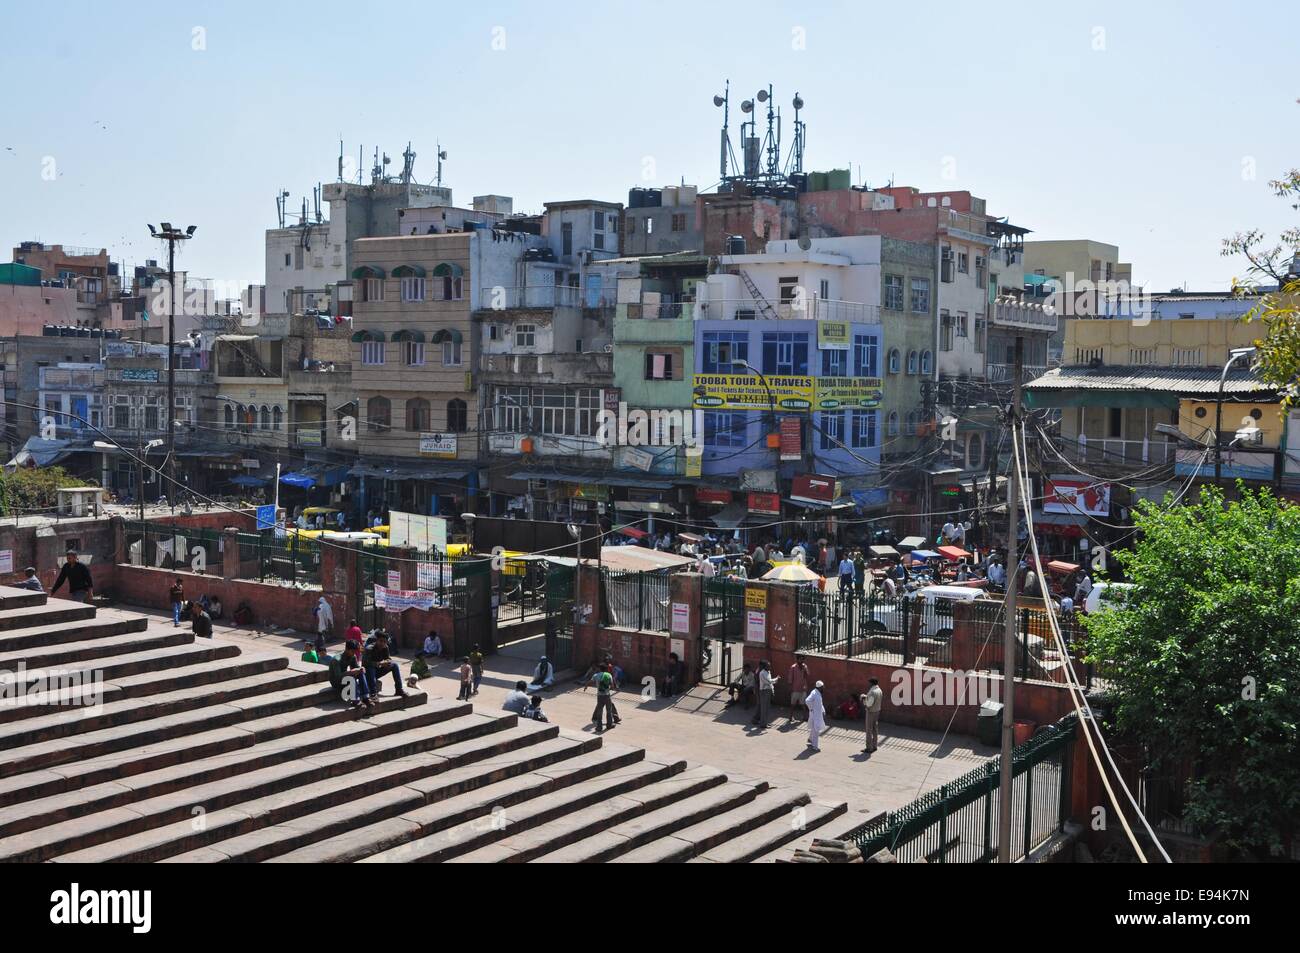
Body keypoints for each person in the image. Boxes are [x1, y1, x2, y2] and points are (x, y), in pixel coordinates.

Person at [330, 640, 373, 710]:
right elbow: (338, 676)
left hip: (345, 678)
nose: (354, 653)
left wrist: (360, 669)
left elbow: (356, 667)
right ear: (347, 649)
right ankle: (356, 700)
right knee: (351, 678)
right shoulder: (336, 660)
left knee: (361, 673)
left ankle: (366, 697)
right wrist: (351, 672)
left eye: (355, 652)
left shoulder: (353, 656)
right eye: (352, 651)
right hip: (336, 681)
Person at [363, 631, 407, 698]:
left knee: (394, 665)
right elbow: (365, 663)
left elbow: (388, 658)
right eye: (381, 641)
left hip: (378, 671)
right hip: (368, 673)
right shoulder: (369, 649)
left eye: (384, 642)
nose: (382, 643)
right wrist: (379, 663)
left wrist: (387, 662)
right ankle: (373, 693)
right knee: (371, 668)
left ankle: (399, 689)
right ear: (377, 640)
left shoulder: (385, 647)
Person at [587, 664, 620, 732]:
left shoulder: (596, 675)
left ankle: (599, 727)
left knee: (599, 711)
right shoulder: (608, 675)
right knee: (609, 711)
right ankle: (609, 725)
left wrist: (586, 686)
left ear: (600, 668)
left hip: (599, 696)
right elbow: (612, 686)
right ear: (606, 669)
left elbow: (590, 682)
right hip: (607, 696)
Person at [752, 660, 778, 729]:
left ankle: (765, 722)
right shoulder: (761, 673)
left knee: (767, 708)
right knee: (762, 707)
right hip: (763, 691)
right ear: (764, 666)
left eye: (769, 666)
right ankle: (761, 723)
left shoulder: (768, 672)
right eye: (768, 666)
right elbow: (768, 681)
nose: (769, 667)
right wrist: (776, 679)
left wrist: (772, 690)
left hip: (768, 690)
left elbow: (770, 682)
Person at [861, 677, 883, 753]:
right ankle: (874, 746)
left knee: (869, 730)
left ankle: (869, 748)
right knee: (875, 729)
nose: (868, 684)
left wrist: (863, 699)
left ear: (872, 683)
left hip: (871, 712)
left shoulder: (873, 692)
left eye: (869, 683)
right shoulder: (879, 690)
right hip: (877, 711)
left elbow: (869, 704)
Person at [787, 656, 811, 724]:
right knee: (793, 704)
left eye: (803, 659)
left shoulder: (804, 666)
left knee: (803, 703)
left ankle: (804, 717)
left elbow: (808, 674)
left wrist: (805, 669)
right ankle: (791, 716)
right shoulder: (793, 667)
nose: (802, 661)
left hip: (803, 688)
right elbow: (790, 679)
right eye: (800, 659)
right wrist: (790, 688)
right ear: (797, 660)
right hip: (795, 689)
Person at [806, 680, 827, 752]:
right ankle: (815, 746)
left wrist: (823, 711)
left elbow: (820, 703)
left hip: (818, 714)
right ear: (820, 687)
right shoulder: (814, 693)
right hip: (815, 715)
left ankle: (810, 739)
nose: (823, 688)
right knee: (816, 730)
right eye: (822, 687)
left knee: (814, 728)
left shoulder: (818, 693)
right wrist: (811, 709)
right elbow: (807, 701)